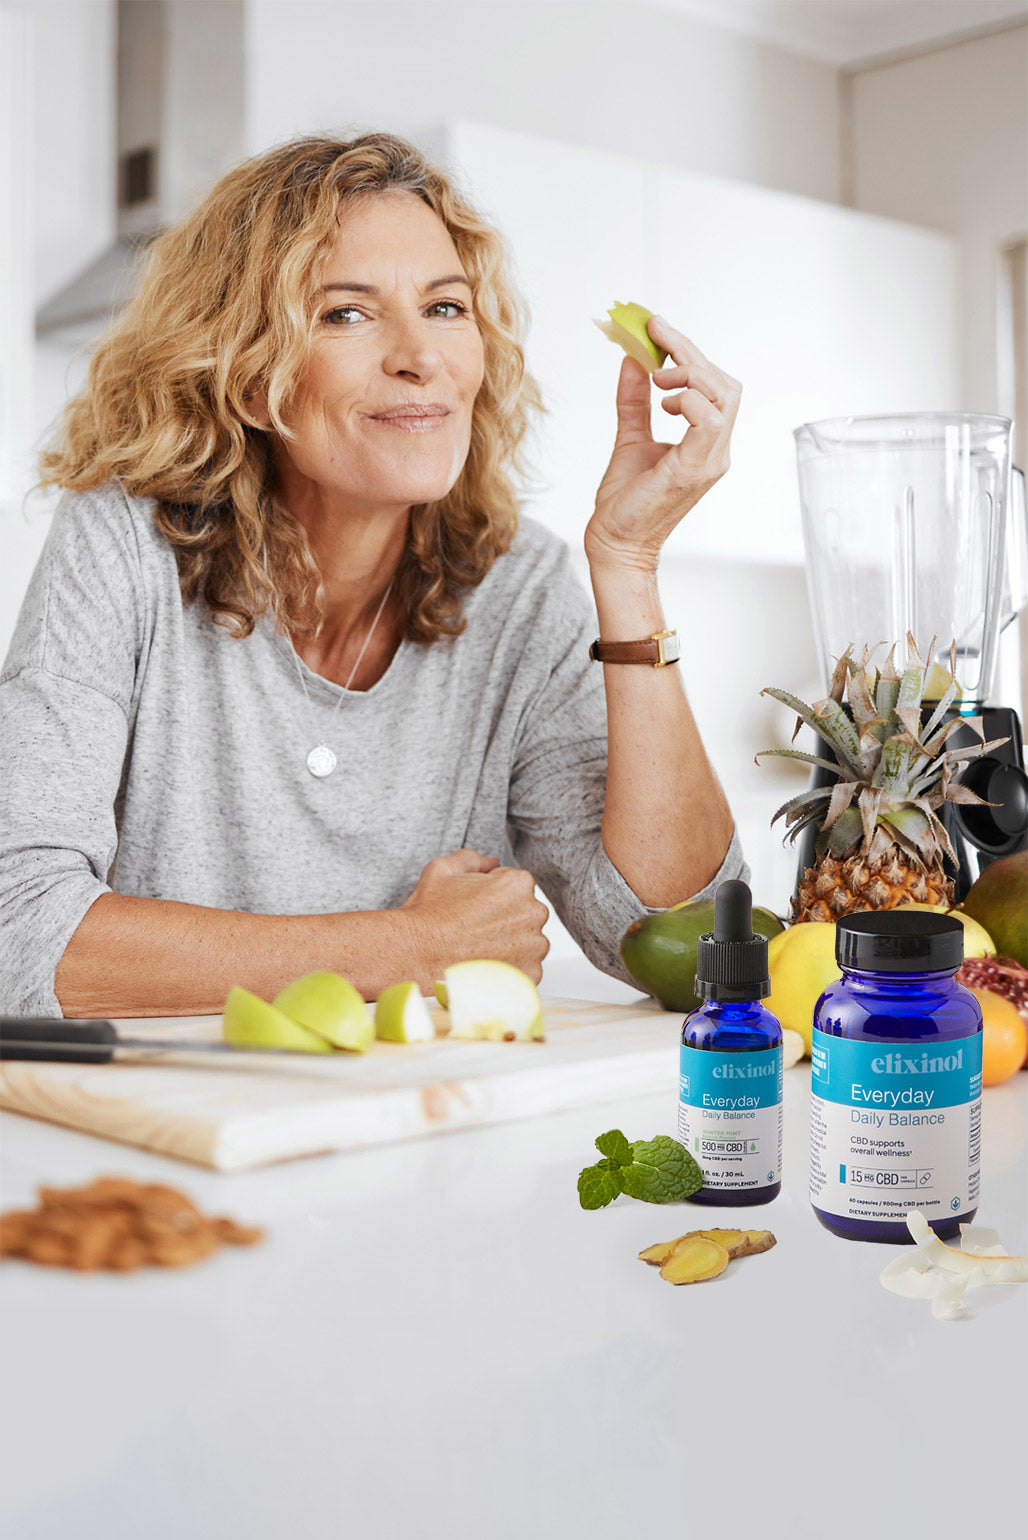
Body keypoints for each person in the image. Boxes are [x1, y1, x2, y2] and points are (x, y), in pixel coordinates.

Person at [0, 132, 746, 1019]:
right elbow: (20, 933)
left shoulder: (521, 588)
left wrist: (629, 568)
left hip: (424, 1133)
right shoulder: (122, 544)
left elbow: (690, 945)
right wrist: (406, 948)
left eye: (445, 307)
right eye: (345, 314)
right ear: (247, 378)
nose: (418, 355)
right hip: (175, 1133)